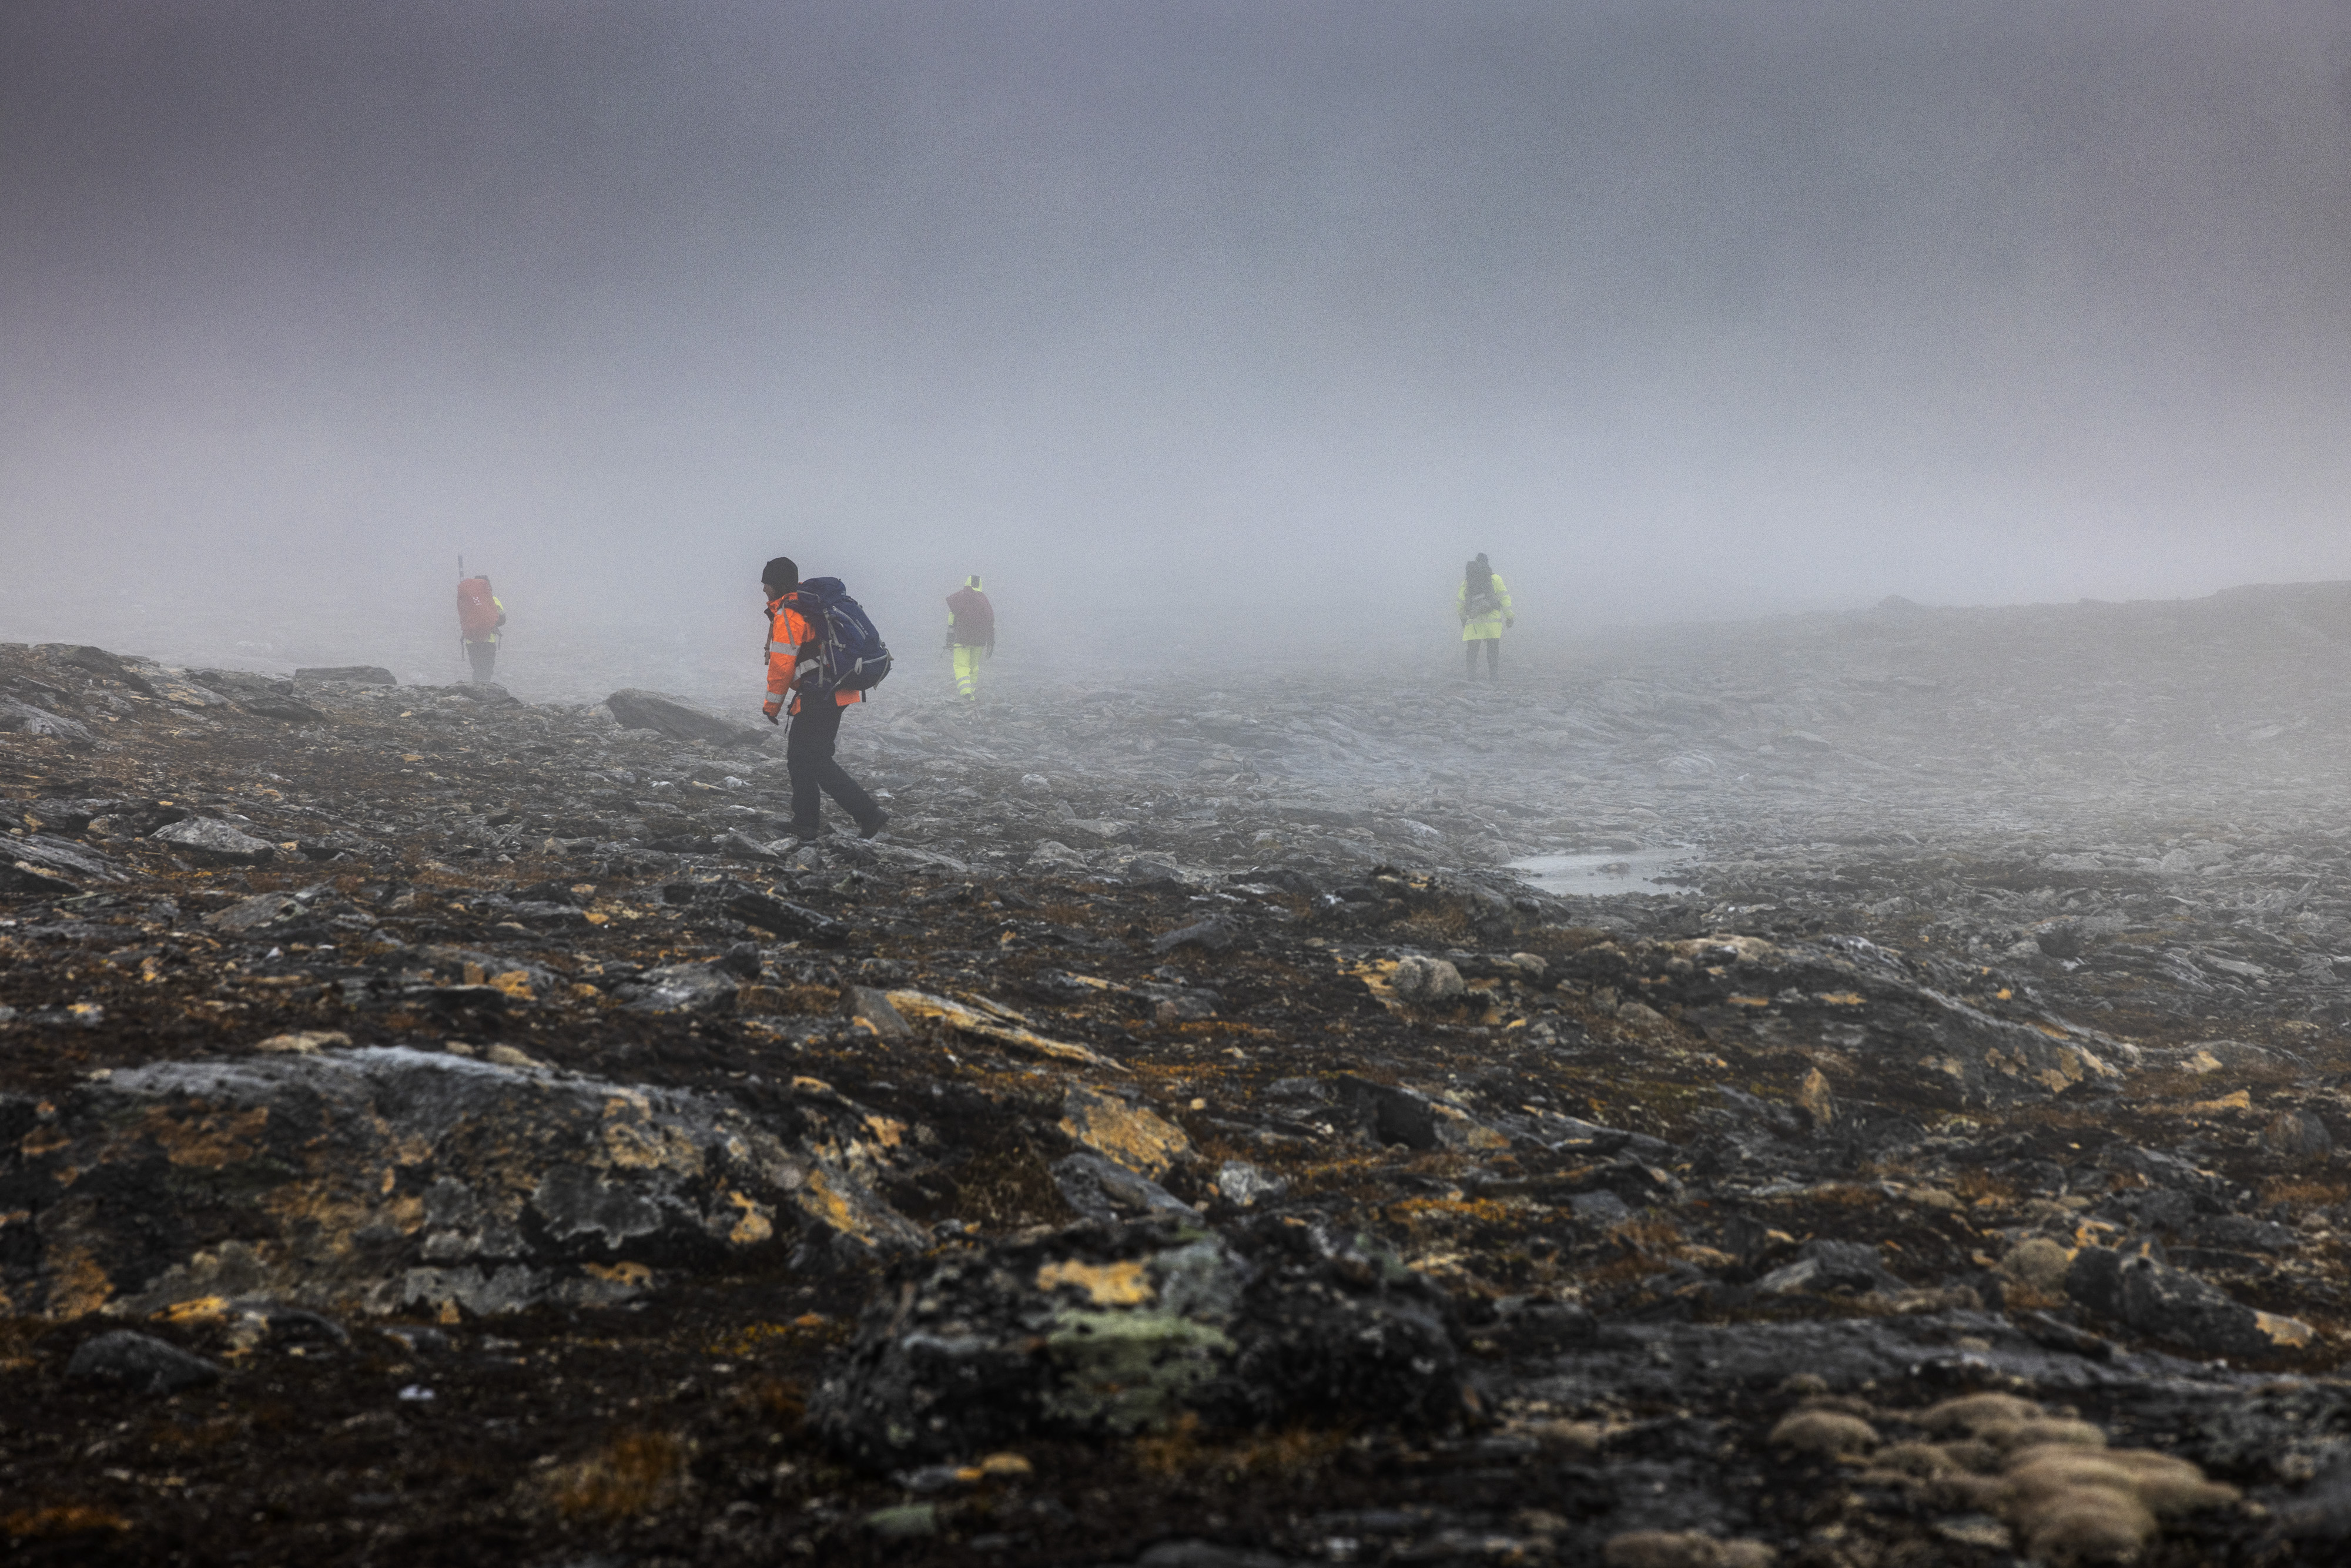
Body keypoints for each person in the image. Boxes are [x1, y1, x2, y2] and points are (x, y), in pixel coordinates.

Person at [761, 555, 888, 841]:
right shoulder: (807, 604)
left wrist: (772, 706)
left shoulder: (790, 613)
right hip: (836, 690)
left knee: (812, 759)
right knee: (804, 758)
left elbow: (782, 665)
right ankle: (806, 822)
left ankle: (867, 814)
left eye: (766, 584)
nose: (764, 590)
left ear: (778, 584)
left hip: (820, 694)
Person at [1456, 552, 1512, 680]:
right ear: (1487, 563)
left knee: (1472, 651)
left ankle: (1471, 678)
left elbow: (1460, 601)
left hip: (1474, 620)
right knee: (1493, 650)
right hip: (1492, 622)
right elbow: (1504, 598)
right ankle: (1493, 677)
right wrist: (1510, 616)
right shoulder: (1496, 579)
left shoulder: (1468, 580)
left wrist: (1463, 617)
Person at [944, 574, 994, 701]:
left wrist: (950, 640)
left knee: (961, 666)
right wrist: (991, 643)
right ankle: (971, 691)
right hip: (980, 641)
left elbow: (952, 621)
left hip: (962, 639)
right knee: (973, 666)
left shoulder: (960, 598)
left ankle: (966, 693)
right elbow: (991, 622)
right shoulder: (984, 601)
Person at [457, 574, 506, 682]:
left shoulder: (467, 601)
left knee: (477, 669)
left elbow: (464, 617)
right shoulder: (493, 600)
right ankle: (485, 692)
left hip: (471, 640)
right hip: (488, 640)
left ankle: (476, 690)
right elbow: (502, 620)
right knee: (487, 669)